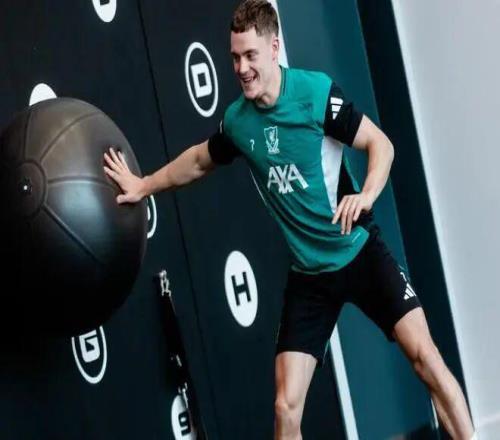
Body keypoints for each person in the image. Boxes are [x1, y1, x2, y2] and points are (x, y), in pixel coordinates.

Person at [103, 1, 475, 438]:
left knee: (426, 359)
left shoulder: (314, 95)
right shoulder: (239, 122)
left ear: (274, 47)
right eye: (235, 57)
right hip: (310, 277)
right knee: (285, 407)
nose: (241, 68)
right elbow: (200, 160)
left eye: (250, 56)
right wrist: (143, 185)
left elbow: (381, 145)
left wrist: (366, 195)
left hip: (358, 251)